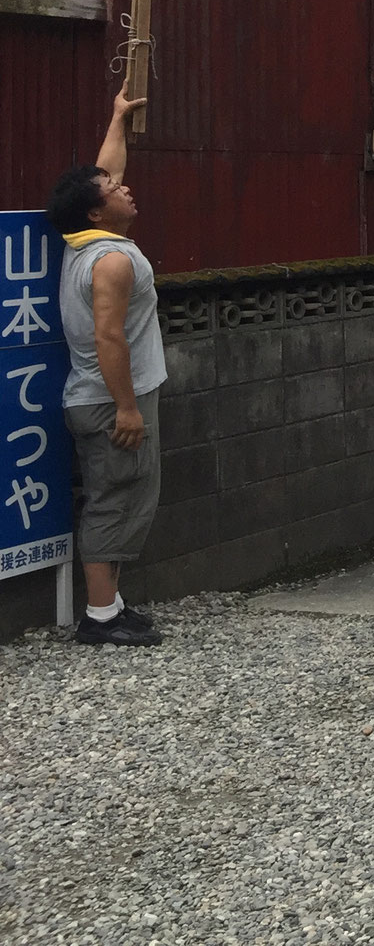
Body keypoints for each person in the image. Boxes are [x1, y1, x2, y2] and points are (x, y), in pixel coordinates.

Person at [46, 91, 164, 648]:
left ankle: (111, 604)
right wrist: (127, 406)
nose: (124, 186)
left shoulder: (84, 241)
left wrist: (118, 116)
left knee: (125, 494)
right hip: (108, 399)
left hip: (102, 395)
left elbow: (106, 169)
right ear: (97, 212)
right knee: (113, 498)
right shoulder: (111, 260)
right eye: (115, 191)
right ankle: (98, 617)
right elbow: (108, 336)